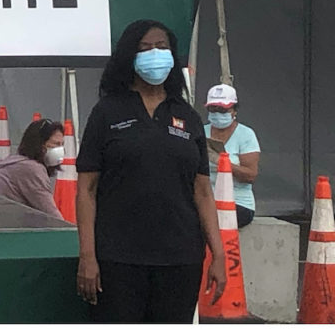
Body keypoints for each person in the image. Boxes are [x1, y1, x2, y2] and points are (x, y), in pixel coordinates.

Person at [75, 18, 225, 323]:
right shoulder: (106, 112)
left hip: (180, 258)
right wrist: (87, 256)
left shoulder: (187, 116)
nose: (154, 54)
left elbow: (202, 192)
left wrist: (219, 255)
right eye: (144, 48)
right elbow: (86, 190)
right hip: (118, 258)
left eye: (161, 47)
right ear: (129, 56)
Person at [203, 83, 260, 228]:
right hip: (205, 198)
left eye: (222, 110)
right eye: (212, 109)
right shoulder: (201, 131)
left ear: (234, 110)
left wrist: (222, 163)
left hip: (238, 202)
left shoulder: (246, 135)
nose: (217, 114)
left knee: (208, 218)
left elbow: (250, 175)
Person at [0, 118, 66, 218]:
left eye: (62, 144)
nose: (60, 149)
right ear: (40, 145)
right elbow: (51, 213)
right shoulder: (31, 169)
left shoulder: (16, 163)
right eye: (56, 144)